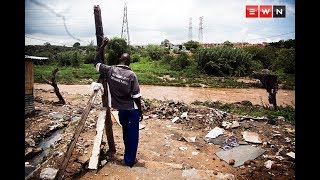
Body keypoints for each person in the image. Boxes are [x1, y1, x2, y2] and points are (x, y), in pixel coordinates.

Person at [93, 37, 143, 167]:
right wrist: (140, 112)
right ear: (129, 62)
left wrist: (103, 45)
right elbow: (136, 96)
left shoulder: (110, 70)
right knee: (132, 137)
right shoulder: (132, 75)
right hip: (132, 110)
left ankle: (128, 157)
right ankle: (129, 161)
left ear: (119, 60)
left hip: (120, 110)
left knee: (126, 133)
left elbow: (96, 62)